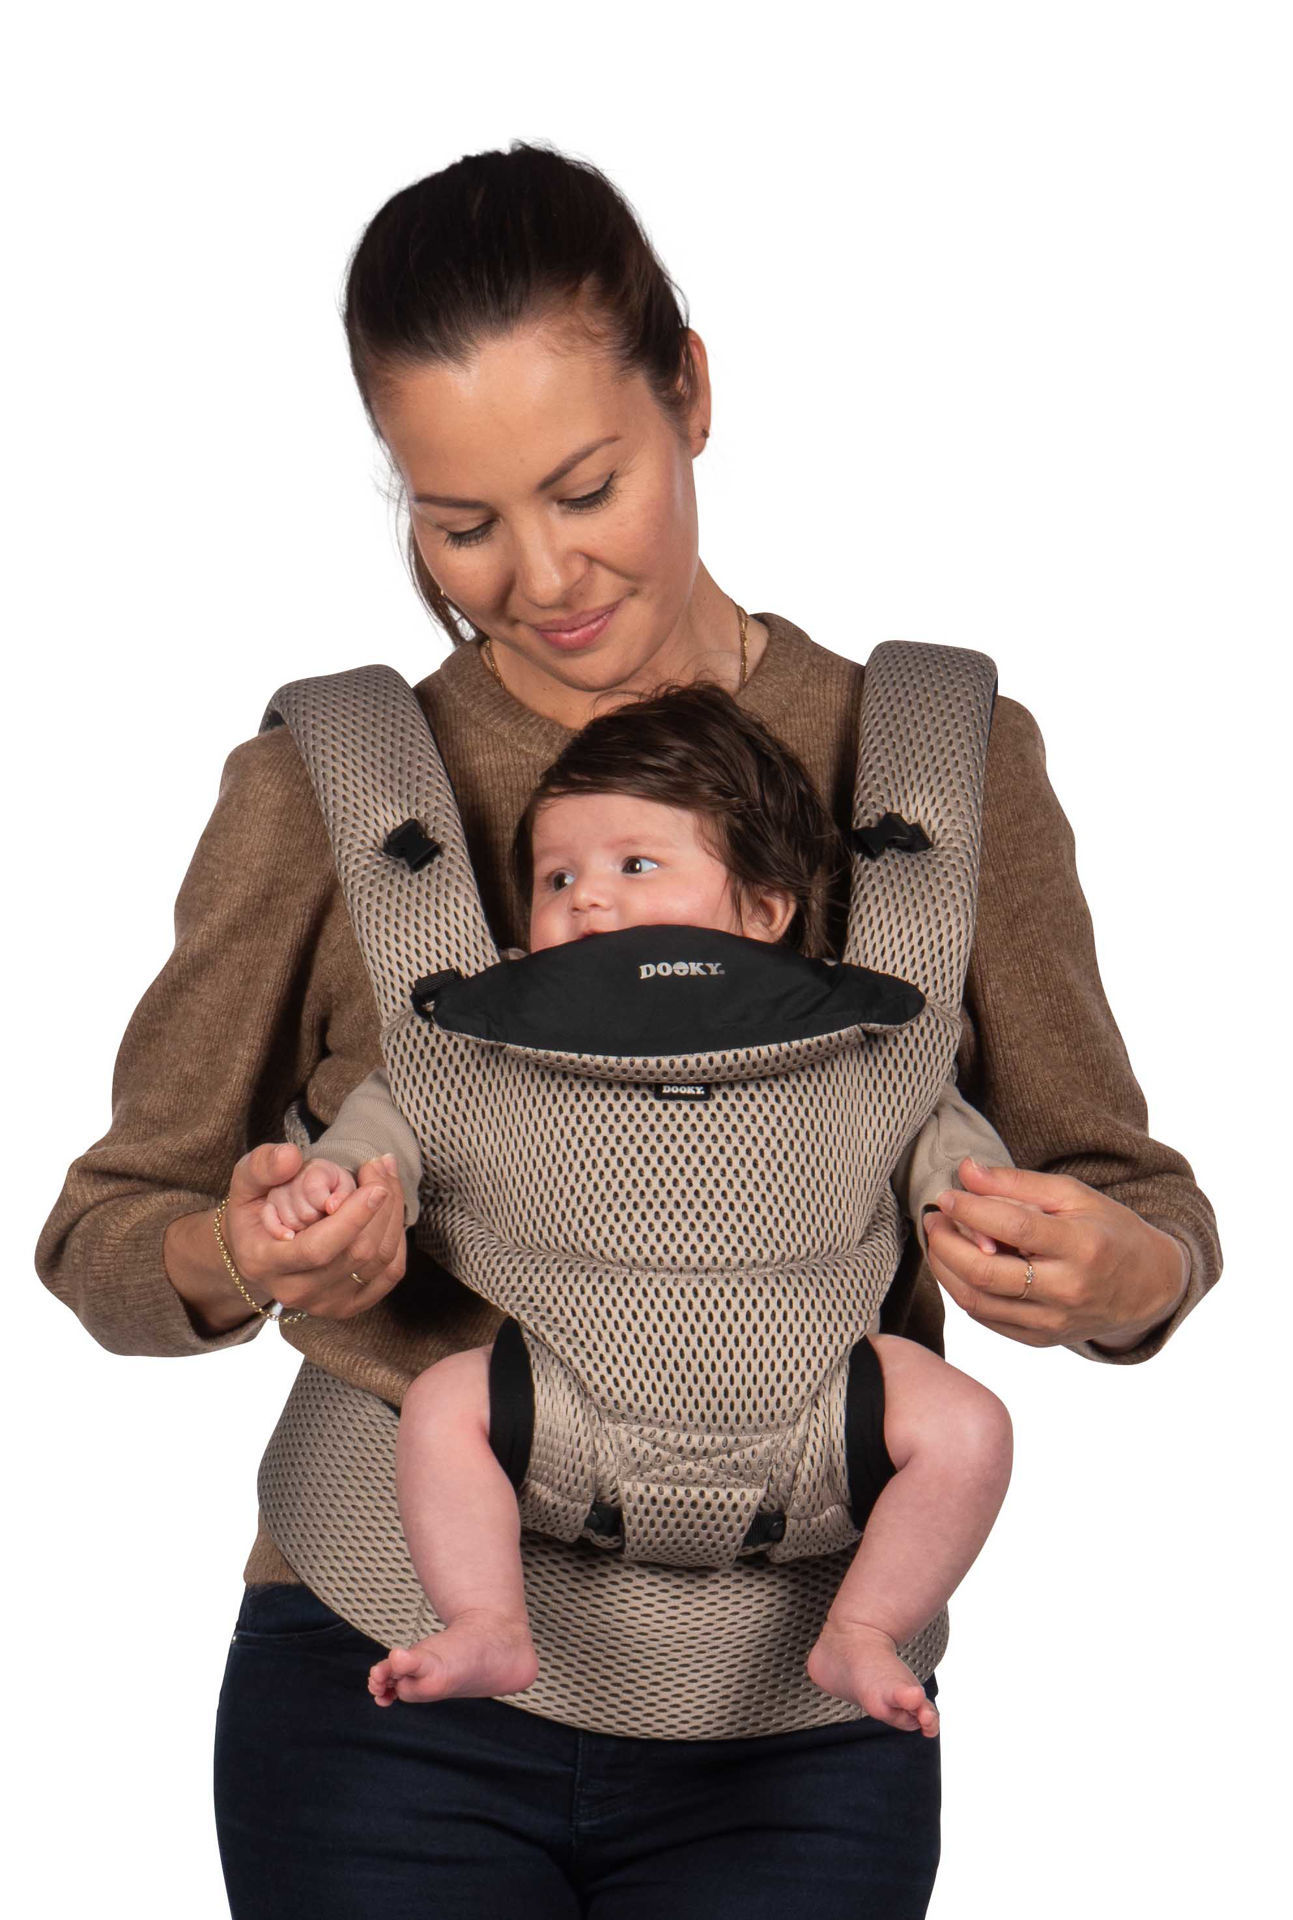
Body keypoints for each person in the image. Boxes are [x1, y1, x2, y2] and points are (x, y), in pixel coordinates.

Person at [35, 142, 1221, 1919]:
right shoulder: (326, 787)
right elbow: (108, 1236)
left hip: (805, 1707)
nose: (538, 576)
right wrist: (246, 1248)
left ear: (692, 393)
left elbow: (1130, 1197)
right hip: (383, 1678)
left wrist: (1119, 1274)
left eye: (585, 487)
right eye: (459, 525)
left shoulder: (938, 762)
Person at [257, 682, 1015, 1738]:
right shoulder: (480, 1032)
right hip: (557, 1404)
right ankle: (485, 1618)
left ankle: (864, 1625)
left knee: (969, 1426)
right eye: (557, 878)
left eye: (636, 867)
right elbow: (384, 1128)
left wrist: (985, 1215)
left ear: (765, 910)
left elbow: (950, 1147)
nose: (588, 902)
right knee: (440, 1406)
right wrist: (332, 1182)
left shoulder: (860, 1033)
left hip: (823, 1412)